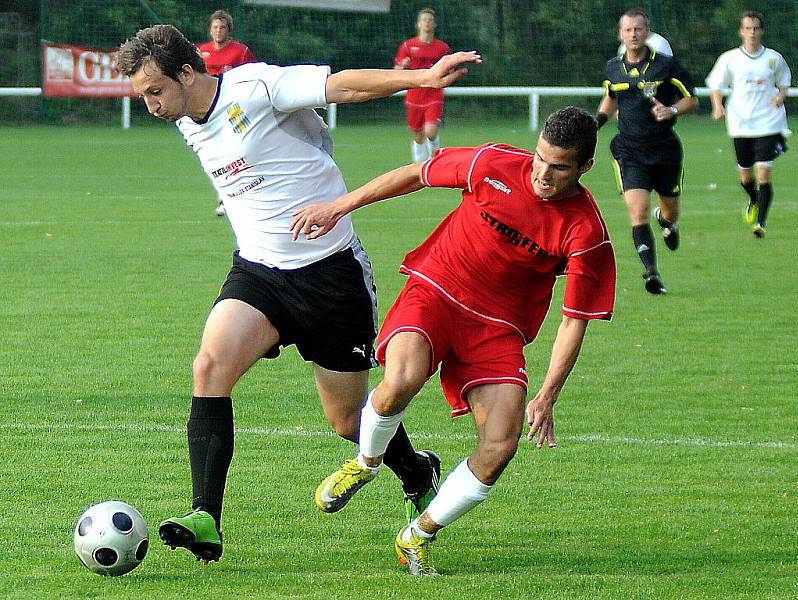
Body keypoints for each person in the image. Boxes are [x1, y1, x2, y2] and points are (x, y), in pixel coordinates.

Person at [116, 24, 481, 563]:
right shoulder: (188, 120)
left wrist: (421, 78)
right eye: (143, 96)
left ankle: (416, 470)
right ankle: (206, 517)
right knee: (209, 367)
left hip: (330, 274)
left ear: (187, 73)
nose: (149, 105)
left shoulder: (255, 87)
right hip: (259, 272)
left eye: (154, 91)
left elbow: (344, 87)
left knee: (346, 418)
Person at [291, 107, 616, 576]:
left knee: (501, 444)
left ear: (584, 168)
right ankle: (365, 461)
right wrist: (338, 206)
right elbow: (414, 175)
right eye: (540, 159)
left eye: (559, 167)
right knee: (401, 378)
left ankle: (418, 534)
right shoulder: (492, 163)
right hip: (437, 290)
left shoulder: (585, 231)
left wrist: (547, 395)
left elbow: (574, 320)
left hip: (498, 329)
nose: (542, 174)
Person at [596, 8, 698, 295]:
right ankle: (652, 273)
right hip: (630, 151)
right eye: (628, 30)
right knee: (637, 211)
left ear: (647, 31)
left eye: (638, 29)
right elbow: (610, 98)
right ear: (621, 33)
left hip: (664, 150)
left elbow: (692, 100)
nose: (633, 34)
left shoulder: (666, 66)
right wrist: (597, 122)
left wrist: (672, 109)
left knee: (671, 210)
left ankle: (666, 222)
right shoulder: (613, 67)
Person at [707, 10, 791, 239]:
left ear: (761, 30)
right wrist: (717, 106)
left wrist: (780, 96)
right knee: (745, 177)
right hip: (740, 123)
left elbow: (784, 81)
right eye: (748, 28)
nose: (752, 32)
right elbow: (716, 84)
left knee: (764, 174)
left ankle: (760, 223)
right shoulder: (730, 58)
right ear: (741, 32)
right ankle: (754, 198)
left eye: (756, 28)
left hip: (768, 122)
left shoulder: (774, 58)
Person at [196, 10, 256, 216]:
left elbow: (253, 75)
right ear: (210, 30)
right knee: (216, 154)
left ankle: (238, 196)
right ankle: (225, 197)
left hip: (234, 109)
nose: (218, 31)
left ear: (228, 30)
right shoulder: (201, 51)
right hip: (209, 112)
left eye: (222, 27)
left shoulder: (240, 51)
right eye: (215, 27)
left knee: (238, 150)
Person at [394, 8, 451, 163]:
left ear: (435, 24)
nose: (427, 22)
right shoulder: (408, 46)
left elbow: (449, 68)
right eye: (424, 20)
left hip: (434, 93)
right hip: (414, 94)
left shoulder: (442, 48)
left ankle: (435, 159)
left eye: (430, 20)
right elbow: (396, 70)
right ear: (418, 24)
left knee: (431, 131)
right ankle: (419, 165)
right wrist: (403, 66)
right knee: (418, 135)